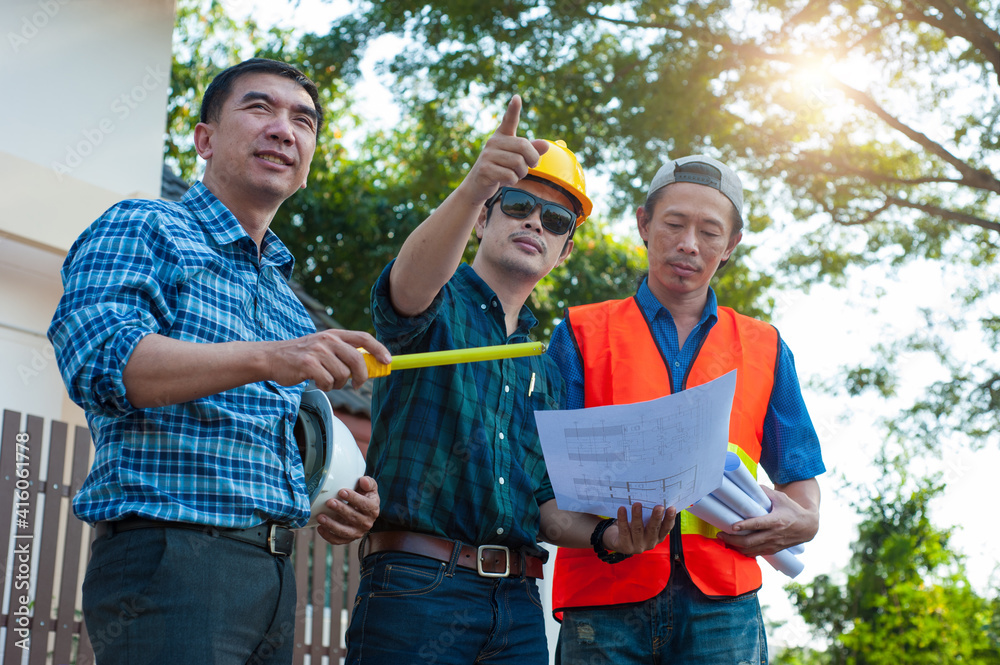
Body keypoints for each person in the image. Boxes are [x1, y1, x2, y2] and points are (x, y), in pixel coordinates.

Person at [47, 58, 390, 665]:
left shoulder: (288, 304)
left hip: (276, 575)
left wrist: (337, 501)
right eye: (260, 108)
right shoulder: (145, 224)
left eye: (303, 121)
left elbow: (278, 448)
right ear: (204, 139)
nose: (285, 129)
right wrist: (267, 356)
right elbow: (101, 359)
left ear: (307, 161)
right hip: (169, 562)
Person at [344, 96, 677, 665]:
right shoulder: (433, 302)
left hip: (520, 605)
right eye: (518, 204)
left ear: (565, 249)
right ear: (482, 217)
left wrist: (609, 539)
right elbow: (409, 282)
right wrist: (477, 182)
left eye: (554, 221)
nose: (534, 223)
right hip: (415, 588)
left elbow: (542, 503)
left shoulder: (541, 362)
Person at [547, 155, 825, 664]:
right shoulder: (579, 335)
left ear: (730, 246)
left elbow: (800, 477)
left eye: (710, 232)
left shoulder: (764, 346)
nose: (689, 244)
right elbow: (544, 481)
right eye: (674, 224)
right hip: (604, 597)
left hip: (723, 601)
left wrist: (806, 521)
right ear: (644, 224)